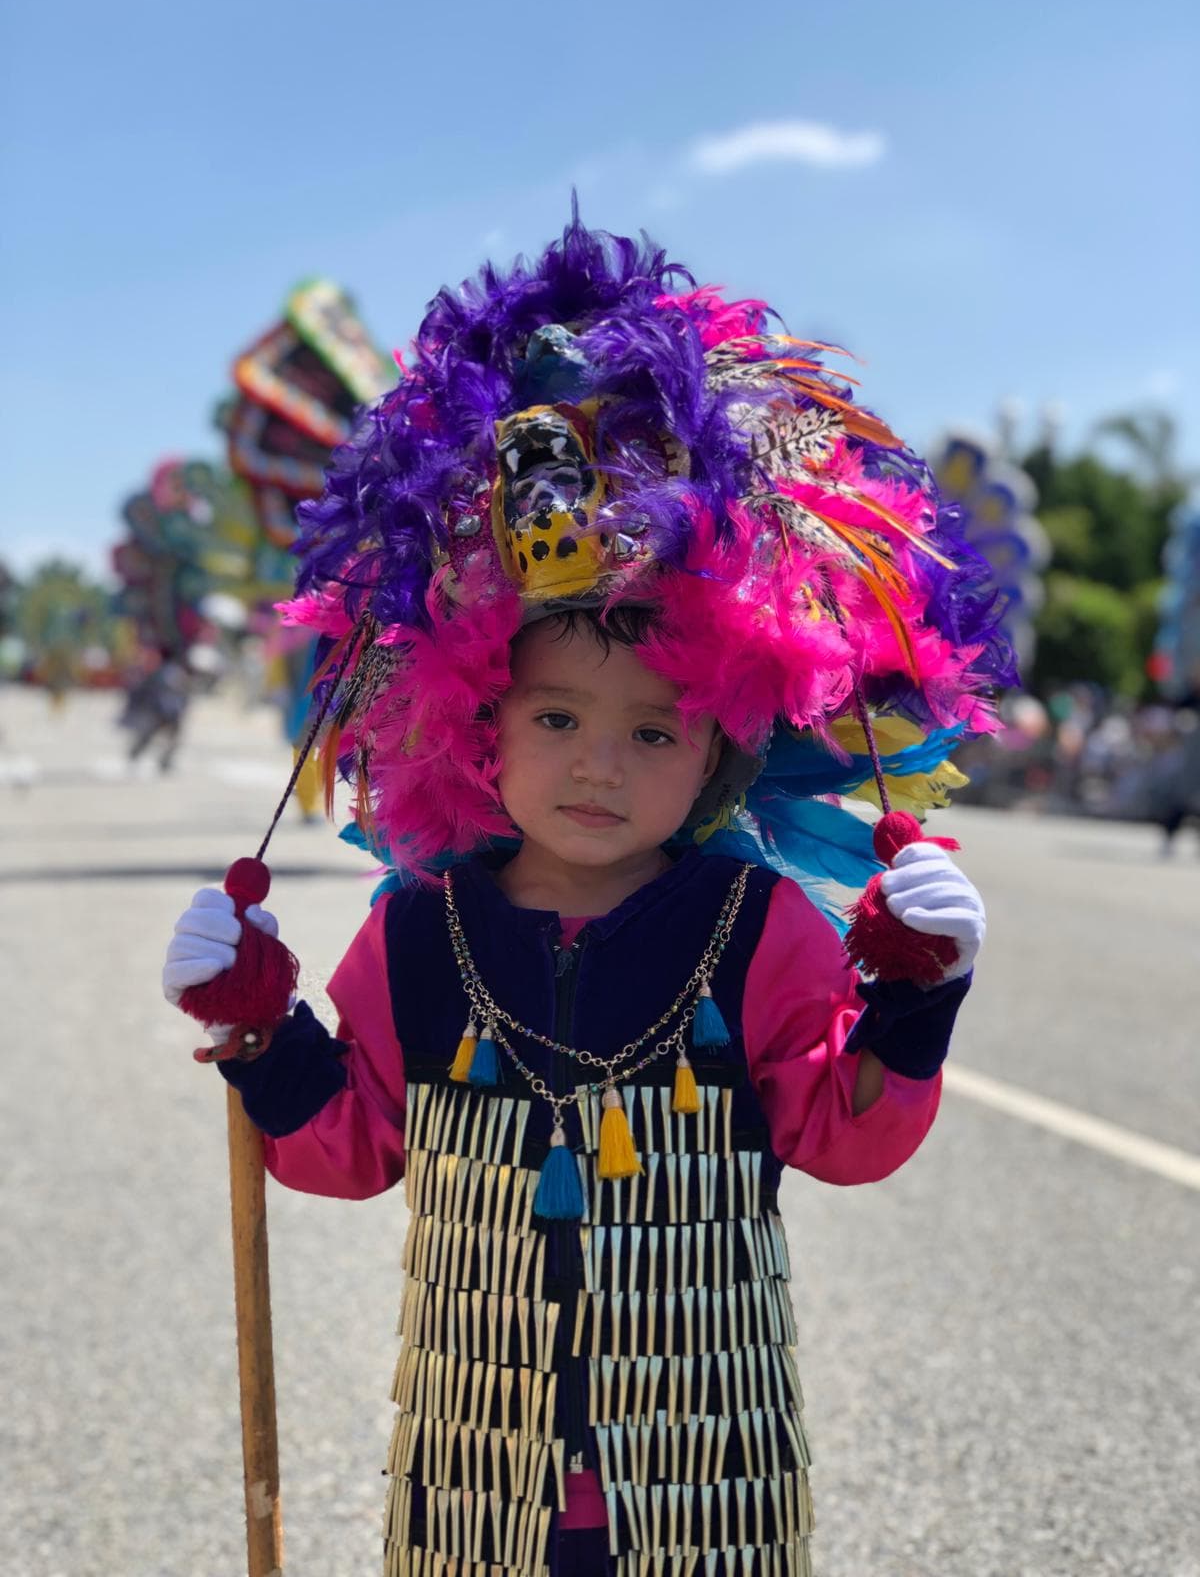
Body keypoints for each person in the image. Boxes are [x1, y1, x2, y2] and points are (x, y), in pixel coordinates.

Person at [163, 217, 1005, 1577]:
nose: (599, 766)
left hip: (703, 1481)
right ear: (480, 720)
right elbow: (348, 1148)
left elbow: (845, 1135)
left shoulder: (759, 933)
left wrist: (914, 998)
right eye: (556, 717)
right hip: (469, 1476)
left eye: (655, 733)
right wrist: (261, 1028)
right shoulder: (420, 936)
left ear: (727, 748)